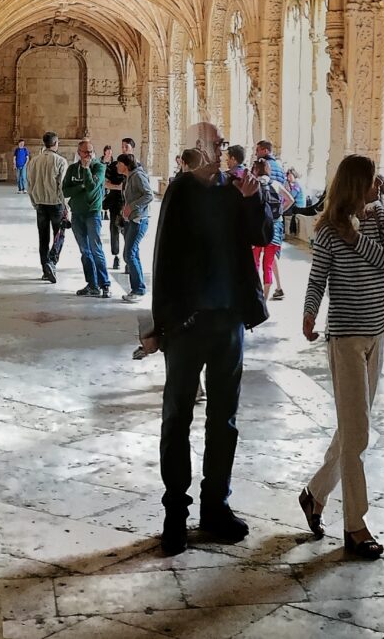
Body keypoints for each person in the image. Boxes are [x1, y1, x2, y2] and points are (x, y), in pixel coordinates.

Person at [144, 128, 270, 555]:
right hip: (186, 325)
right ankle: (175, 514)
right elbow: (162, 260)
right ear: (199, 150)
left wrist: (254, 198)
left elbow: (264, 237)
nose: (222, 151)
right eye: (215, 145)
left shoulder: (236, 190)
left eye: (221, 145)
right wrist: (160, 327)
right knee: (177, 417)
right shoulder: (180, 192)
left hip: (228, 321)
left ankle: (215, 506)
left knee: (224, 419)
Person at [297, 154, 384, 561]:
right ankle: (355, 526)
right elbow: (318, 278)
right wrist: (309, 313)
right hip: (344, 339)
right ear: (355, 184)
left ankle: (314, 495)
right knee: (357, 433)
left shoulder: (381, 217)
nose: (378, 184)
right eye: (371, 179)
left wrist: (357, 238)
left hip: (377, 334)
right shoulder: (326, 230)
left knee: (351, 429)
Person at [65, 138, 112, 296]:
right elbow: (65, 191)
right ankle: (92, 285)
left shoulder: (98, 167)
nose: (89, 155)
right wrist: (82, 186)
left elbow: (92, 189)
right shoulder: (72, 169)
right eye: (85, 152)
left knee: (96, 248)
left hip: (92, 213)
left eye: (91, 152)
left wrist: (86, 171)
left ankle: (104, 284)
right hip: (77, 214)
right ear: (79, 153)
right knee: (85, 251)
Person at [27, 132, 70, 282]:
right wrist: (66, 207)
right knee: (60, 234)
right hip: (56, 204)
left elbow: (29, 184)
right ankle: (52, 262)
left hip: (40, 204)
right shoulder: (61, 161)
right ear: (56, 143)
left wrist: (34, 202)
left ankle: (45, 270)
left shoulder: (34, 161)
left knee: (43, 238)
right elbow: (62, 187)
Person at [115, 153, 156, 299]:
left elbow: (149, 195)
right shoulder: (129, 177)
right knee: (132, 253)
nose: (116, 166)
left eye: (118, 163)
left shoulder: (138, 176)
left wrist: (132, 207)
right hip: (131, 219)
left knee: (129, 254)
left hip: (139, 220)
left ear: (125, 165)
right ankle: (137, 288)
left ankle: (138, 289)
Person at [252, 159, 288, 302]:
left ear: (255, 170)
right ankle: (265, 301)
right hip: (274, 228)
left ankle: (255, 297)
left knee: (255, 263)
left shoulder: (254, 185)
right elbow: (290, 199)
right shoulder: (276, 184)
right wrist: (279, 213)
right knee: (268, 265)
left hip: (257, 229)